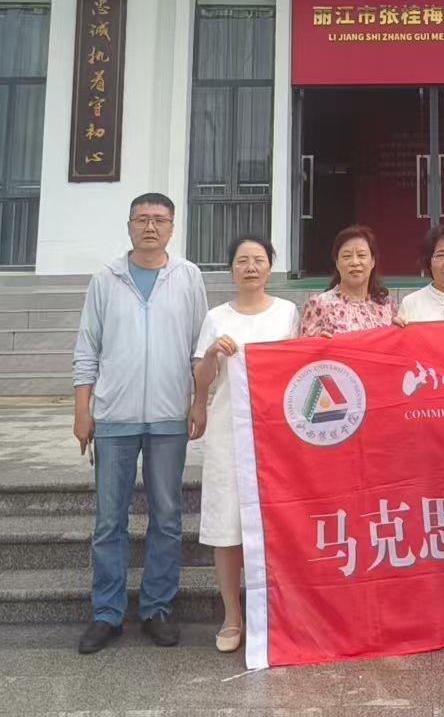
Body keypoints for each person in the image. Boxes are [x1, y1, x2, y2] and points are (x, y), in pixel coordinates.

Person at [71, 192, 209, 655]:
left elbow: (199, 347)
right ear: (129, 225)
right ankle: (106, 613)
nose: (150, 227)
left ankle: (157, 608)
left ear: (172, 227)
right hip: (115, 415)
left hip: (170, 415)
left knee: (167, 516)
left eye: (159, 220)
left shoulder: (187, 277)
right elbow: (87, 347)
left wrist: (199, 401)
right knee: (109, 520)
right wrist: (83, 410)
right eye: (142, 219)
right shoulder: (105, 279)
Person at [189, 236, 299, 654]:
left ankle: (274, 613)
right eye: (242, 261)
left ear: (270, 267)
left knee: (278, 524)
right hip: (228, 432)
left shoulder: (287, 313)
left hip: (277, 435)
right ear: (231, 269)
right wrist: (211, 356)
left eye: (258, 260)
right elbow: (202, 379)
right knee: (227, 525)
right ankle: (232, 616)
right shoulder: (216, 317)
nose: (250, 267)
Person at [299, 224, 395, 336]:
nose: (354, 262)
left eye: (361, 255)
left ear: (373, 261)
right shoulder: (318, 305)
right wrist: (318, 343)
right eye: (347, 256)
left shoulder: (387, 305)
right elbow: (305, 345)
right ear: (337, 263)